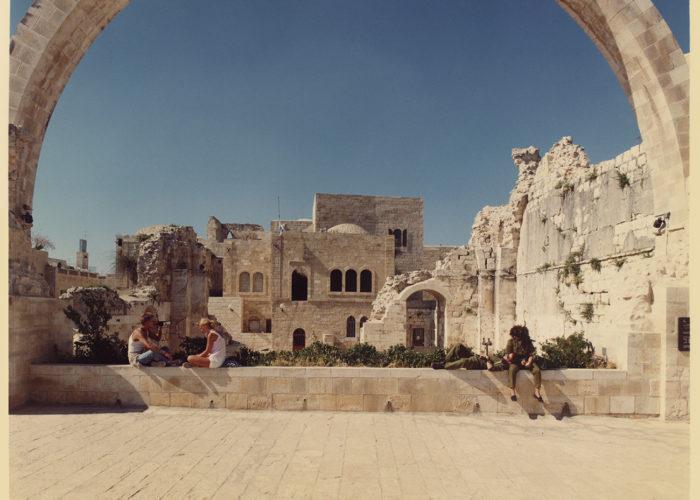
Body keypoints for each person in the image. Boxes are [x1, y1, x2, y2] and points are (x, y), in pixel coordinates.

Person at [505, 325, 542, 402]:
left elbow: (532, 354)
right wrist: (510, 356)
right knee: (511, 370)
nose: (516, 338)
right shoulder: (510, 342)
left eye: (517, 337)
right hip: (516, 362)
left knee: (537, 370)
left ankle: (537, 391)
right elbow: (508, 356)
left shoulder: (527, 341)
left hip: (527, 360)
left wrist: (529, 361)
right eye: (514, 336)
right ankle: (512, 391)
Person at [432, 343, 505, 371]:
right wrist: (485, 355)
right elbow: (489, 356)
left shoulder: (502, 365)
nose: (507, 355)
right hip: (475, 357)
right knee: (458, 346)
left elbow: (490, 367)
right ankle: (444, 361)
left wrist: (488, 359)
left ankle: (444, 366)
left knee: (464, 361)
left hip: (478, 364)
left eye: (509, 356)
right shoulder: (501, 358)